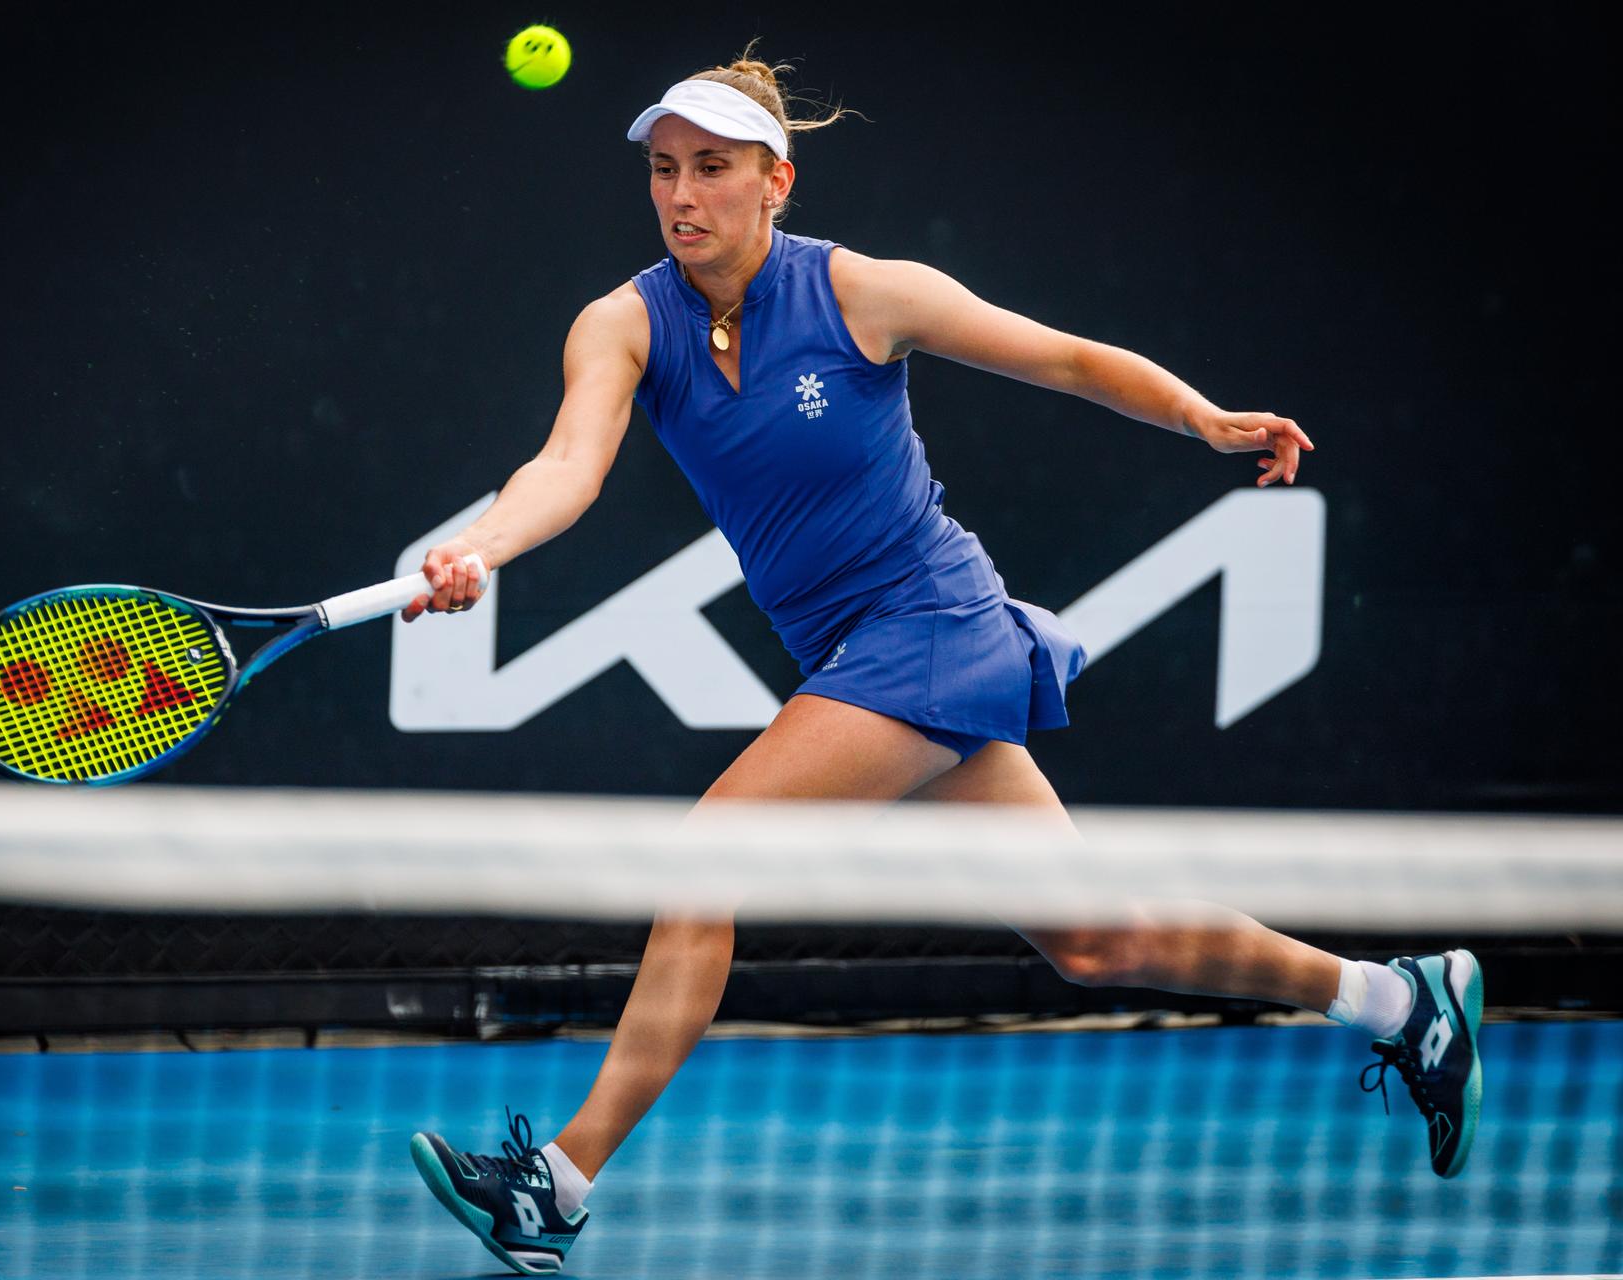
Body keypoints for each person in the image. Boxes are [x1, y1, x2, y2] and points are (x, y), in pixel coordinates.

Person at [404, 55, 1482, 1276]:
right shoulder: (622, 322)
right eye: (665, 170)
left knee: (705, 857)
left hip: (926, 618)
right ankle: (1403, 1002)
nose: (682, 194)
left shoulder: (865, 293)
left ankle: (558, 1182)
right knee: (1098, 941)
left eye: (713, 168)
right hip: (851, 650)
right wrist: (481, 546)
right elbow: (567, 465)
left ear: (776, 183)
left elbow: (1063, 356)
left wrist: (1204, 417)